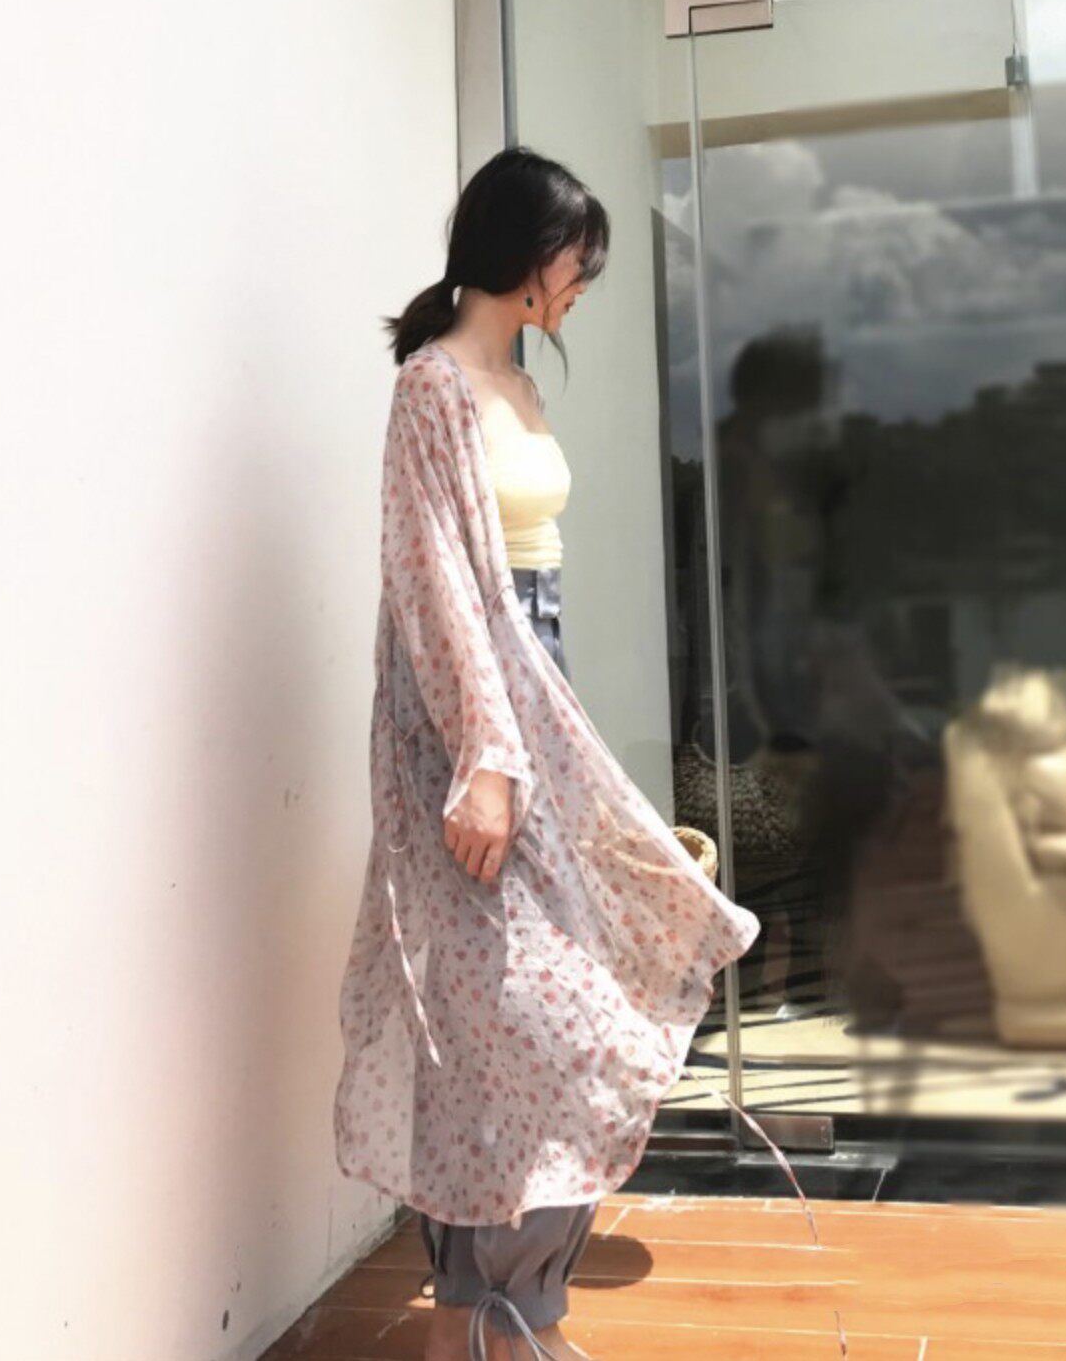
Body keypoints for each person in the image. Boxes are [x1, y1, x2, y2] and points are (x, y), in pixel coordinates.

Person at [332, 147, 764, 1361]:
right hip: (464, 720)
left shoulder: (518, 383)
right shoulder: (432, 386)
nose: (583, 283)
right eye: (577, 261)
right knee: (514, 1024)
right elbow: (435, 584)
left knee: (553, 1018)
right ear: (526, 254)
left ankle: (496, 1316)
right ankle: (486, 1316)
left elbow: (534, 596)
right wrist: (486, 753)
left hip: (535, 692)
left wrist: (538, 736)